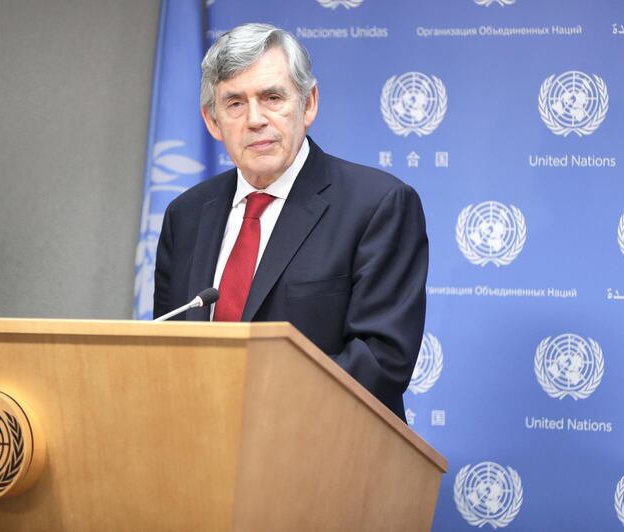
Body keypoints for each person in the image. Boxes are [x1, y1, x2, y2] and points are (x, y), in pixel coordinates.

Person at [153, 23, 428, 422]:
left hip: (324, 456)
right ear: (212, 122)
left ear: (309, 103)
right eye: (234, 103)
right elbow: (166, 348)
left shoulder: (378, 205)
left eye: (272, 97)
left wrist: (252, 408)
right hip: (198, 450)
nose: (255, 119)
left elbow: (380, 361)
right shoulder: (186, 215)